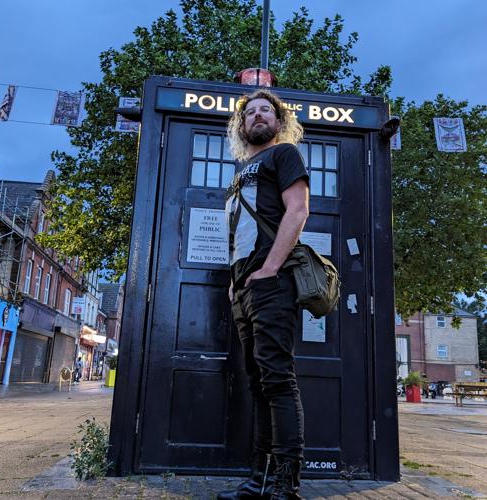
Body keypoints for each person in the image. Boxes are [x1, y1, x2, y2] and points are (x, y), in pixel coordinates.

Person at [219, 89, 309, 500]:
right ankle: (259, 478)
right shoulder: (241, 171)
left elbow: (298, 211)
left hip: (272, 283)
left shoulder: (284, 154)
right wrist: (235, 284)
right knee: (257, 383)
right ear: (241, 125)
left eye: (266, 111)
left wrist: (270, 268)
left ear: (278, 121)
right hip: (245, 289)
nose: (257, 116)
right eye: (250, 112)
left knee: (277, 380)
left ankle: (284, 485)